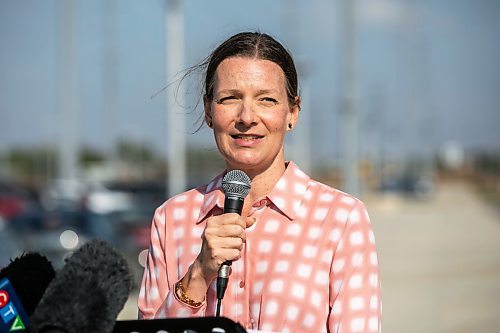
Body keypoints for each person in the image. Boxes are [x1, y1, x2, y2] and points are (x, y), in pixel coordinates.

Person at [138, 31, 381, 333]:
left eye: (266, 100)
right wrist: (199, 273)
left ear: (292, 113)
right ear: (208, 111)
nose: (247, 117)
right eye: (230, 98)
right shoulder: (171, 218)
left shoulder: (341, 218)